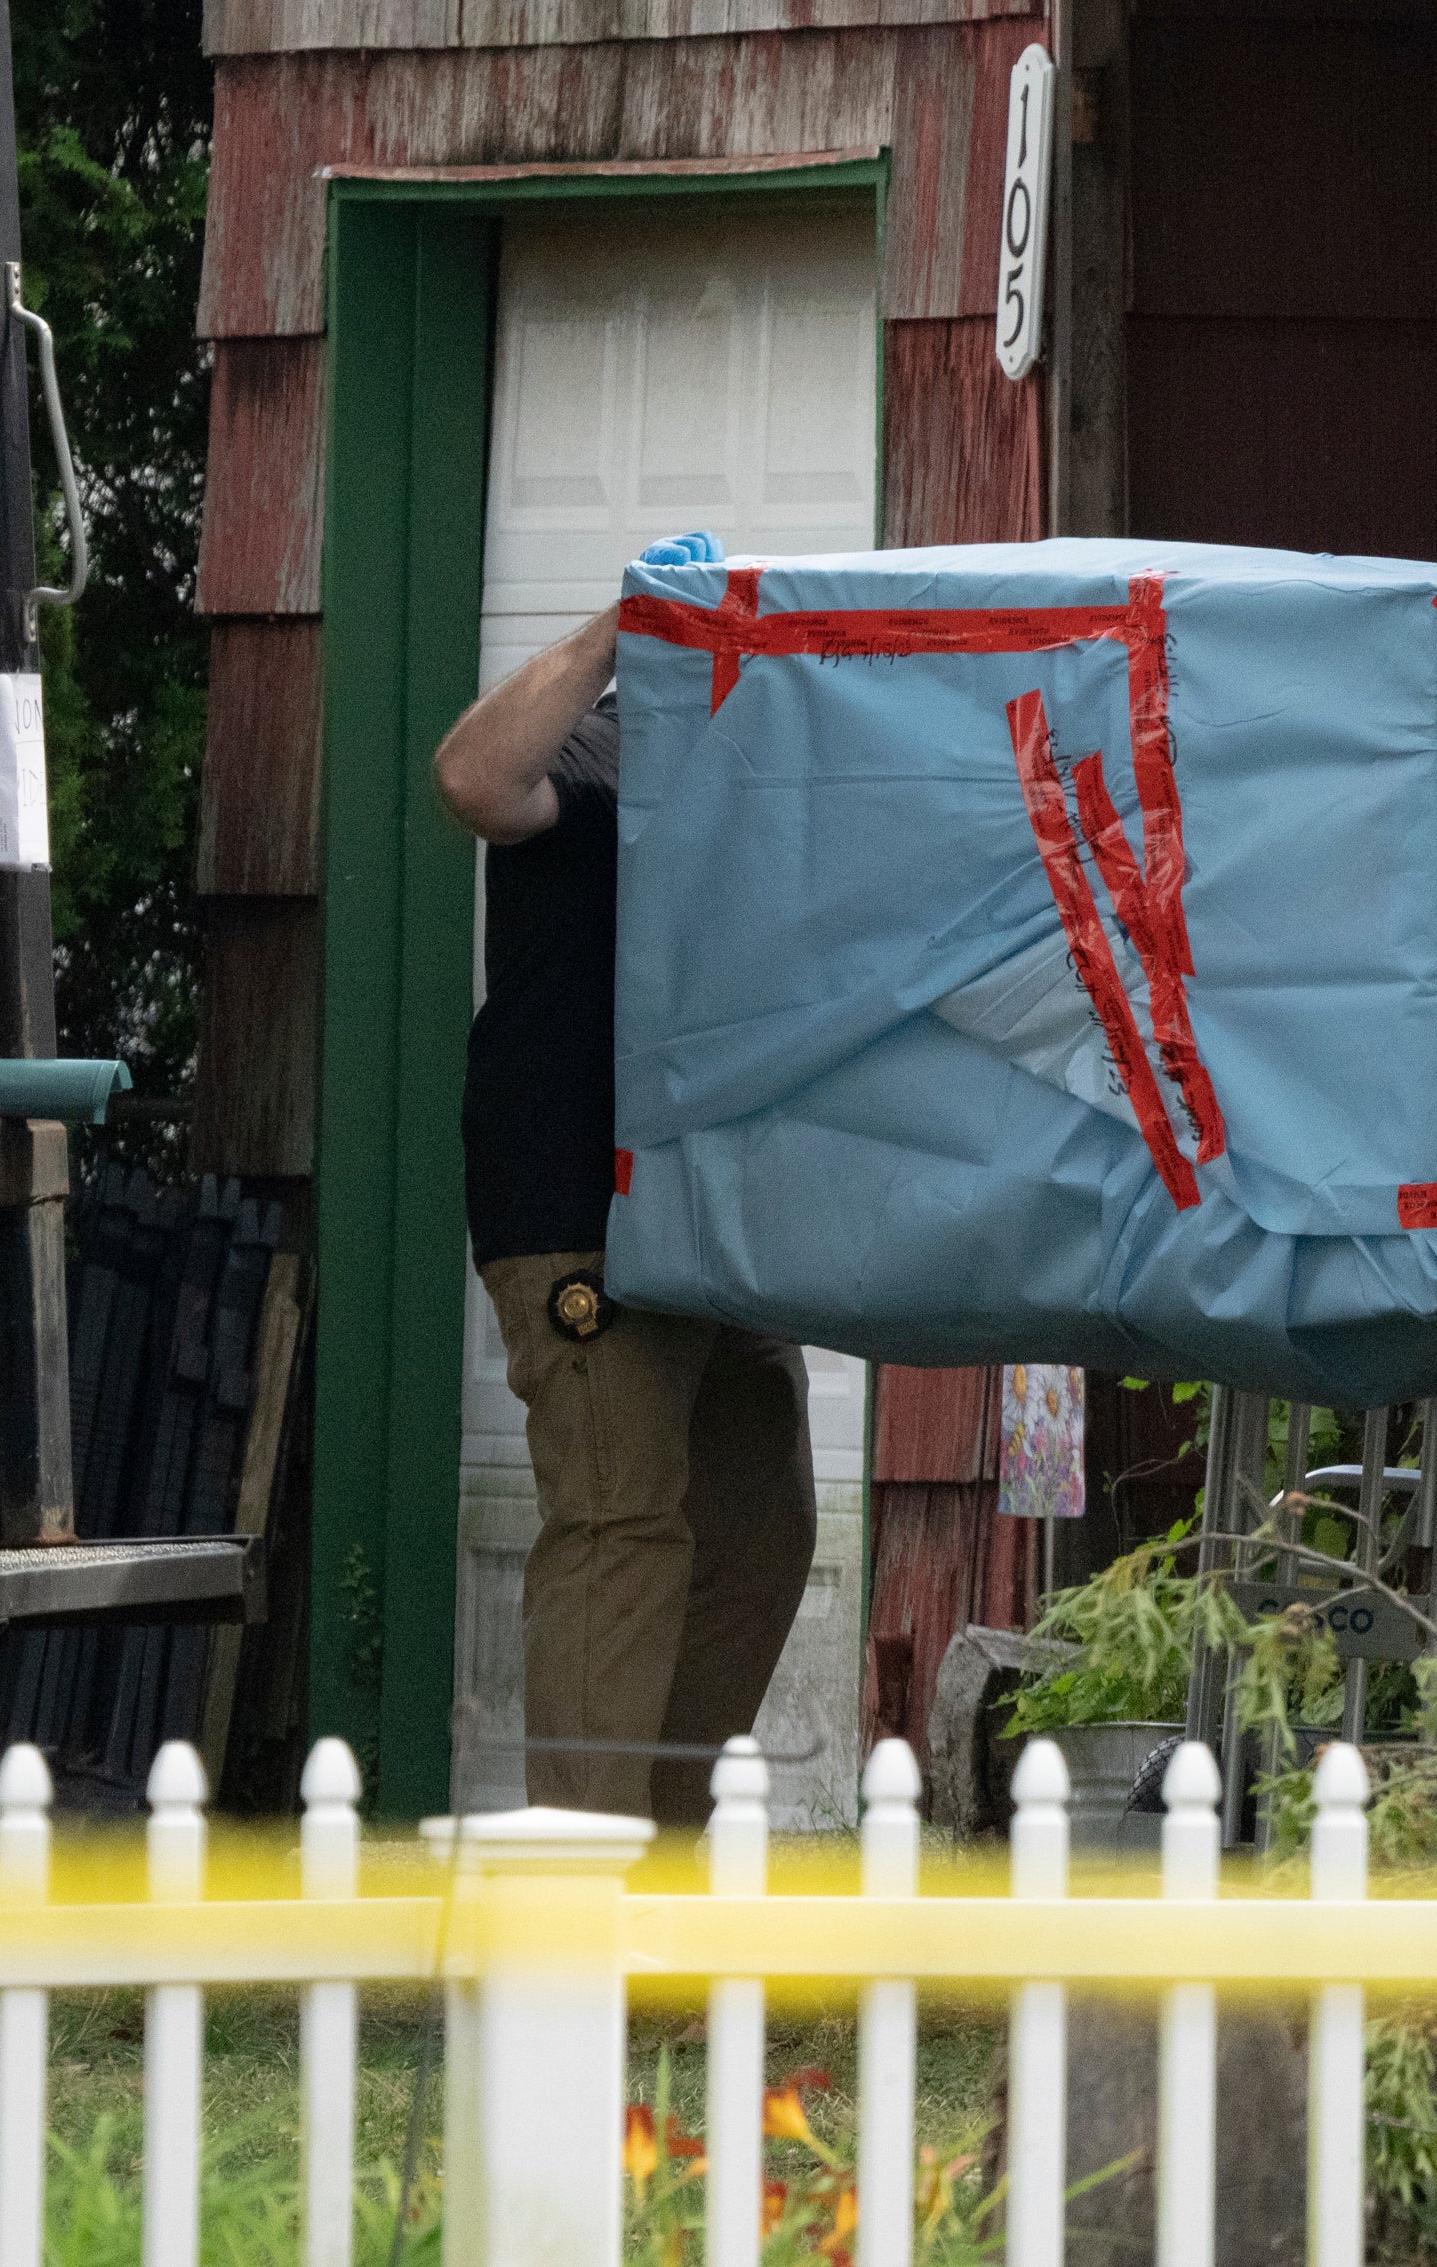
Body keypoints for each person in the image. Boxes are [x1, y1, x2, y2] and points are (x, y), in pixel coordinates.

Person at [433, 529, 816, 1824]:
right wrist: (617, 622)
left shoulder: (764, 802)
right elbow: (472, 775)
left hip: (718, 1220)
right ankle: (574, 1921)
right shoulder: (595, 754)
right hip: (578, 1221)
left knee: (762, 1537)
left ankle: (654, 1861)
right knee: (622, 1530)